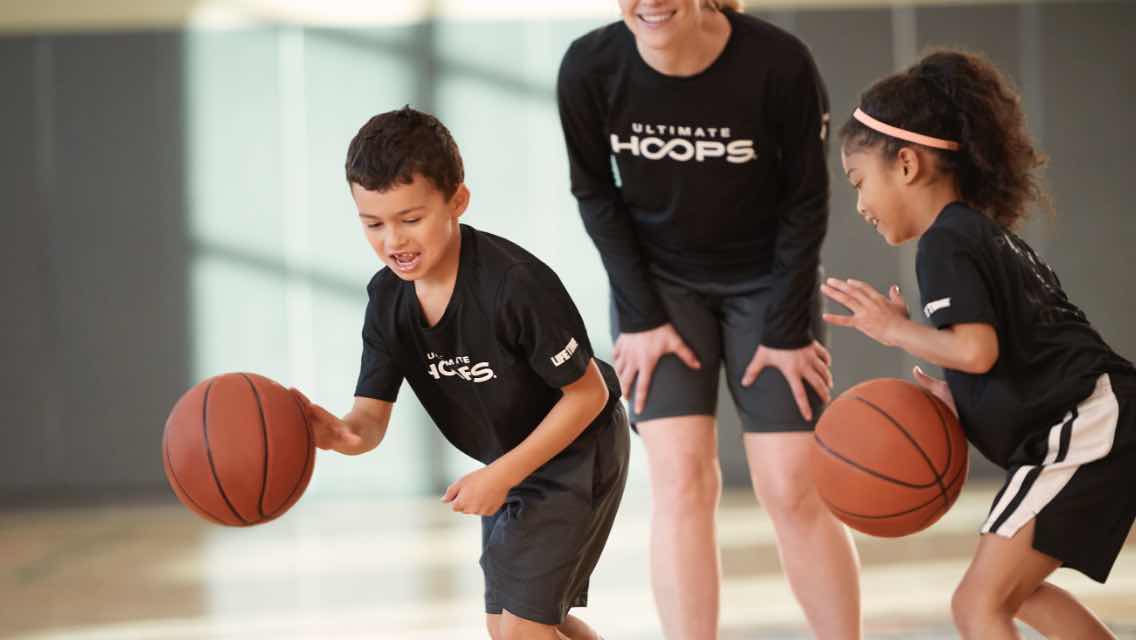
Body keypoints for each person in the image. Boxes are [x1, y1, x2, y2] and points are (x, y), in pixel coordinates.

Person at [557, 1, 860, 637]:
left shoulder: (778, 64)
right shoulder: (590, 67)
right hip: (661, 292)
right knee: (681, 481)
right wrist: (639, 318)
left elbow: (807, 202)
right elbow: (595, 196)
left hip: (768, 282)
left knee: (791, 485)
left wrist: (785, 331)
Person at [824, 49, 1136, 640]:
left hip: (1086, 426)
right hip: (1102, 416)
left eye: (859, 181)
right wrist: (964, 396)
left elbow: (978, 351)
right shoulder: (979, 234)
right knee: (1018, 594)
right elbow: (1013, 355)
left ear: (908, 165)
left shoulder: (944, 243)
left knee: (976, 605)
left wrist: (892, 329)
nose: (860, 204)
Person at [297, 106, 629, 640]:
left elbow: (587, 394)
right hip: (512, 460)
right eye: (373, 224)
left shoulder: (514, 284)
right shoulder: (386, 301)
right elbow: (370, 419)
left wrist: (502, 474)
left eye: (411, 219)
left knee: (523, 629)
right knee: (513, 627)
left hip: (577, 450)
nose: (393, 241)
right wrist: (337, 434)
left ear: (457, 201)